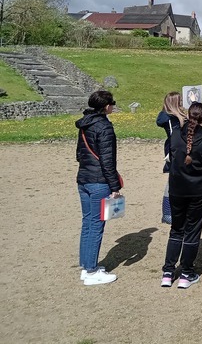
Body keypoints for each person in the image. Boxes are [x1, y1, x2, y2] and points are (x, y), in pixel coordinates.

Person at [161, 102, 202, 288]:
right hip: (197, 189)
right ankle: (186, 272)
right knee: (192, 231)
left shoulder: (176, 134)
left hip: (177, 188)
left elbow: (172, 154)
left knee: (177, 229)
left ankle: (168, 271)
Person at [76, 90, 120, 286]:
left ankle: (87, 266)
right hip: (98, 181)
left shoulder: (85, 124)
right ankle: (92, 271)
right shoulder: (104, 127)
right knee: (96, 226)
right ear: (106, 106)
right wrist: (115, 186)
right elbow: (107, 161)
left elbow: (79, 154)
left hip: (83, 178)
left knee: (87, 223)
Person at [156, 92, 187, 225]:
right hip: (175, 151)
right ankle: (167, 213)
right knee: (172, 182)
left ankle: (180, 210)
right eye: (179, 101)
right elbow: (161, 121)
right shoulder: (168, 118)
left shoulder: (180, 117)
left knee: (183, 181)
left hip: (182, 150)